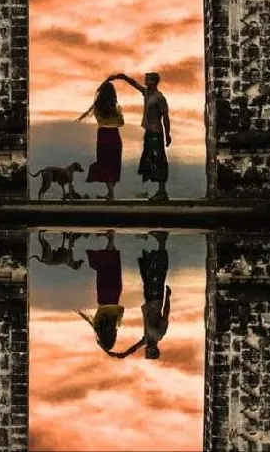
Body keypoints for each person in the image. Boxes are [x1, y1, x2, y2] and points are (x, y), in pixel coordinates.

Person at [107, 72, 171, 203]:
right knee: (151, 161)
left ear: (154, 81)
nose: (145, 80)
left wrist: (168, 134)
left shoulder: (159, 98)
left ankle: (162, 192)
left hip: (156, 133)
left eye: (147, 79)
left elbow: (166, 117)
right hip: (149, 133)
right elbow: (134, 84)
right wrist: (123, 77)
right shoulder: (146, 93)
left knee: (159, 160)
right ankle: (160, 191)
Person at [74, 81, 124, 201]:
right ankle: (111, 193)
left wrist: (105, 121)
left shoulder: (97, 106)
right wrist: (113, 121)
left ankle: (110, 193)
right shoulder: (115, 106)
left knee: (104, 163)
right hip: (114, 135)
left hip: (103, 135)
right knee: (113, 164)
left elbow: (99, 118)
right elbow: (121, 123)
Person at [76, 231, 125, 353]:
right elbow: (95, 316)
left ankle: (111, 239)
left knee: (113, 265)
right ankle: (111, 238)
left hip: (115, 294)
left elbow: (121, 310)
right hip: (103, 296)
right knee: (103, 267)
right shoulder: (99, 326)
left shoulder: (115, 325)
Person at [138, 231, 171, 359]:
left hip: (148, 298)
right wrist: (168, 297)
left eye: (146, 352)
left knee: (149, 270)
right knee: (158, 270)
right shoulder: (159, 334)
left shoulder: (146, 339)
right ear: (156, 350)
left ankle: (160, 241)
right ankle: (162, 240)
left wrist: (120, 354)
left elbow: (133, 348)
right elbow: (166, 313)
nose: (147, 350)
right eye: (150, 352)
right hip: (157, 298)